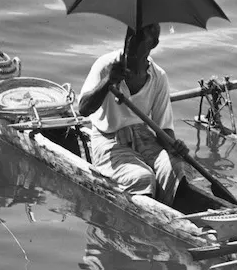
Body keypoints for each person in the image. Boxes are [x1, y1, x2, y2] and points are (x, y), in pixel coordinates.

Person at [78, 24, 189, 206]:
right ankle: (146, 213)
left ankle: (171, 210)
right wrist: (108, 81)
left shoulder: (158, 76)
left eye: (138, 38)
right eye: (129, 35)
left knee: (177, 168)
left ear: (152, 44)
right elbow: (83, 108)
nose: (131, 42)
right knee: (143, 178)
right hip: (109, 140)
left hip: (143, 138)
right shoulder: (106, 66)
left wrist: (174, 147)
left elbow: (164, 128)